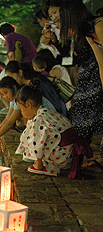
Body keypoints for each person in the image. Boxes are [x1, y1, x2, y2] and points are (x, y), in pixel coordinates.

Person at [59, 0, 103, 158]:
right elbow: (101, 63)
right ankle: (80, 158)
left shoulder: (99, 26)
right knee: (79, 118)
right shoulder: (89, 33)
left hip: (92, 79)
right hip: (94, 77)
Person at [15, 80, 73, 176]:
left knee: (34, 136)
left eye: (21, 109)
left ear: (28, 104)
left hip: (61, 157)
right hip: (69, 153)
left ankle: (40, 165)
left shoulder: (39, 119)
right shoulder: (48, 112)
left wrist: (38, 164)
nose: (21, 113)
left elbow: (37, 143)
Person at [0, 74, 56, 147]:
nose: (5, 96)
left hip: (49, 119)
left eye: (6, 93)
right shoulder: (14, 99)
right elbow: (7, 118)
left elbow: (10, 123)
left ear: (14, 88)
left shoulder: (21, 97)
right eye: (2, 94)